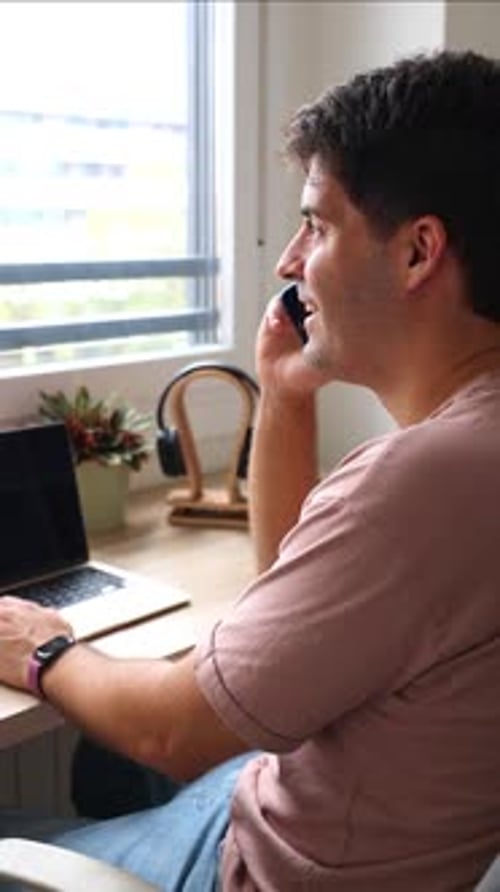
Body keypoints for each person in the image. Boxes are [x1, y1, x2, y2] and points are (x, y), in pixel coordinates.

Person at [1, 47, 500, 892]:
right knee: (107, 769)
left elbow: (173, 735)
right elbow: (291, 618)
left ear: (418, 252)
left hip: (263, 868)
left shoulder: (425, 481)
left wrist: (43, 650)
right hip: (317, 807)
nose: (289, 262)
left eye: (318, 225)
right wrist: (287, 396)